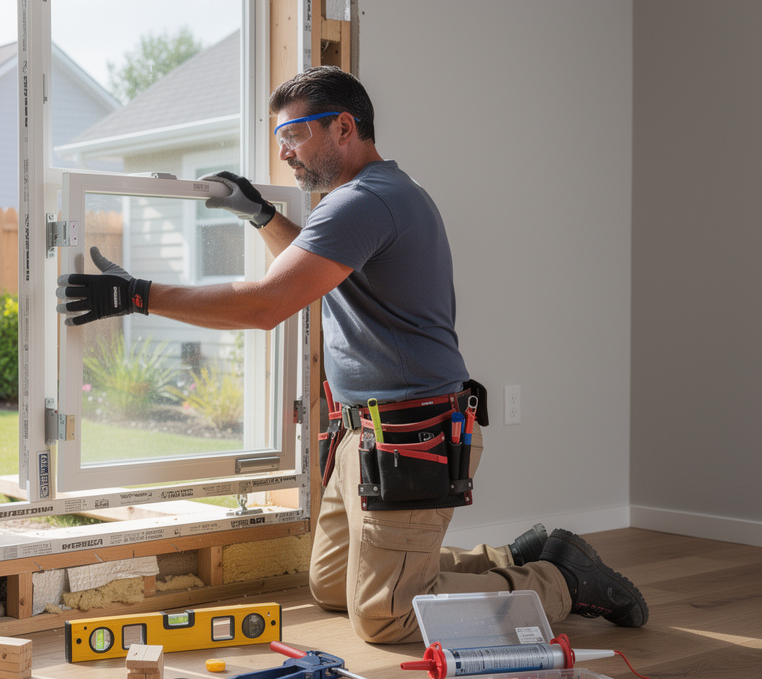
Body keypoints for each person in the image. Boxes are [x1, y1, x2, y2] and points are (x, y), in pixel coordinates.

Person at [55, 66, 647, 643]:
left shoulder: (363, 202)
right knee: (332, 586)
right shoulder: (376, 195)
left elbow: (267, 304)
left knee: (385, 619)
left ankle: (563, 581)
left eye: (294, 133)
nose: (284, 151)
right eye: (279, 136)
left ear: (343, 127)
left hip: (414, 434)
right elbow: (315, 274)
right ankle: (511, 557)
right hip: (365, 432)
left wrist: (138, 295)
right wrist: (262, 215)